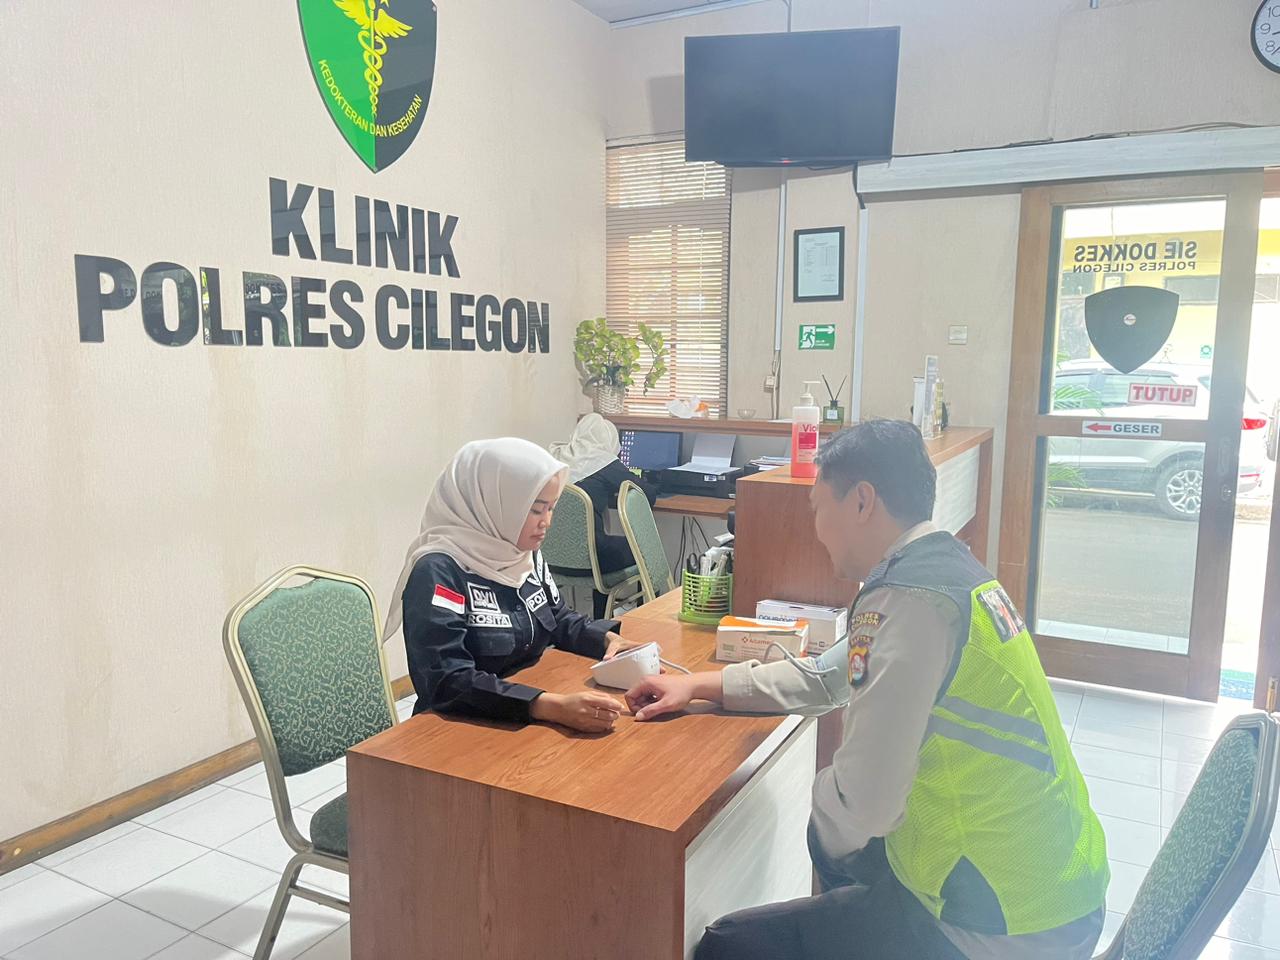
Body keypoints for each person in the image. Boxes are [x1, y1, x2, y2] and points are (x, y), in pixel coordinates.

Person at [626, 420, 1109, 960]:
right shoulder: (949, 575)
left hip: (998, 922)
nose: (817, 529)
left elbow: (863, 805)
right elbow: (824, 676)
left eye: (817, 507)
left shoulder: (907, 600)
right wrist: (696, 684)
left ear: (861, 501)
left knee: (731, 947)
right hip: (1051, 888)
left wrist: (819, 822)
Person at [383, 437, 636, 733]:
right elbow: (448, 681)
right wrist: (547, 706)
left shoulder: (521, 554)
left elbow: (556, 617)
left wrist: (607, 640)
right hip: (458, 727)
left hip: (523, 711)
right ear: (492, 504)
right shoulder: (439, 571)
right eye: (536, 510)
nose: (547, 522)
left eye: (551, 508)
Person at [548, 414, 659, 617]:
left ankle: (600, 622)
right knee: (643, 546)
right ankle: (644, 619)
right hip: (592, 561)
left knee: (598, 542)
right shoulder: (602, 461)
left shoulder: (553, 457)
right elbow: (647, 494)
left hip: (551, 561)